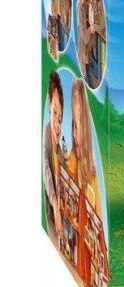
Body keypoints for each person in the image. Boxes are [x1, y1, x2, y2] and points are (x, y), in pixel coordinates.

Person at [68, 79, 101, 217]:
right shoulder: (73, 157)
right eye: (73, 125)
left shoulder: (95, 178)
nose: (74, 135)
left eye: (78, 127)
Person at [43, 71, 64, 238]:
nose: (57, 122)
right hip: (50, 219)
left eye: (61, 118)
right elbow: (45, 169)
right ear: (50, 107)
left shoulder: (59, 150)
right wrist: (56, 205)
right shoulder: (45, 134)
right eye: (55, 112)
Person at [76, 0, 95, 78]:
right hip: (81, 58)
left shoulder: (81, 5)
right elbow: (84, 37)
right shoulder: (79, 8)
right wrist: (90, 29)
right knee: (83, 77)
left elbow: (87, 5)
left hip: (83, 55)